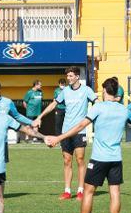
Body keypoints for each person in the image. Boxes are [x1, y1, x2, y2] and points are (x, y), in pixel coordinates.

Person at [44, 78, 131, 213]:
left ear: (105, 91)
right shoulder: (123, 110)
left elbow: (79, 127)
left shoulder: (98, 108)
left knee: (88, 192)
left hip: (98, 159)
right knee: (115, 193)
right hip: (115, 159)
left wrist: (58, 138)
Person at [33, 67, 97, 200]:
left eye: (71, 76)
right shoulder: (65, 91)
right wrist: (40, 116)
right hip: (65, 131)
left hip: (80, 131)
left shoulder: (87, 90)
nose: (68, 78)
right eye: (67, 76)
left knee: (80, 160)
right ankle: (67, 191)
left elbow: (97, 104)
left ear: (77, 77)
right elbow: (53, 104)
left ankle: (80, 190)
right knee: (67, 161)